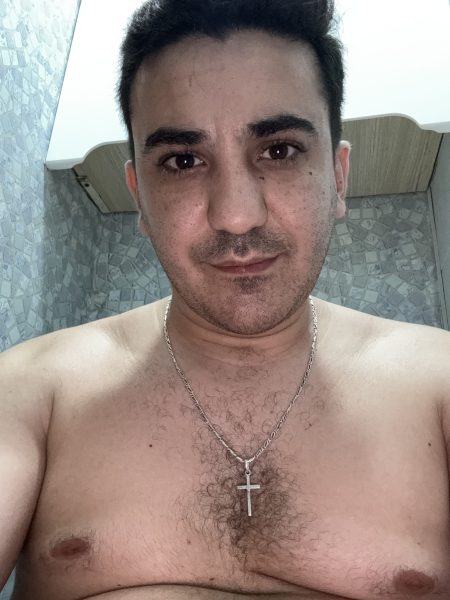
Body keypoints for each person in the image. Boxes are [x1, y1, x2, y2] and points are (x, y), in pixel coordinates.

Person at [1, 0, 449, 598]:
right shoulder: (30, 393)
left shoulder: (439, 384)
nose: (236, 215)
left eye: (279, 150)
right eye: (183, 161)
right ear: (139, 196)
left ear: (339, 176)